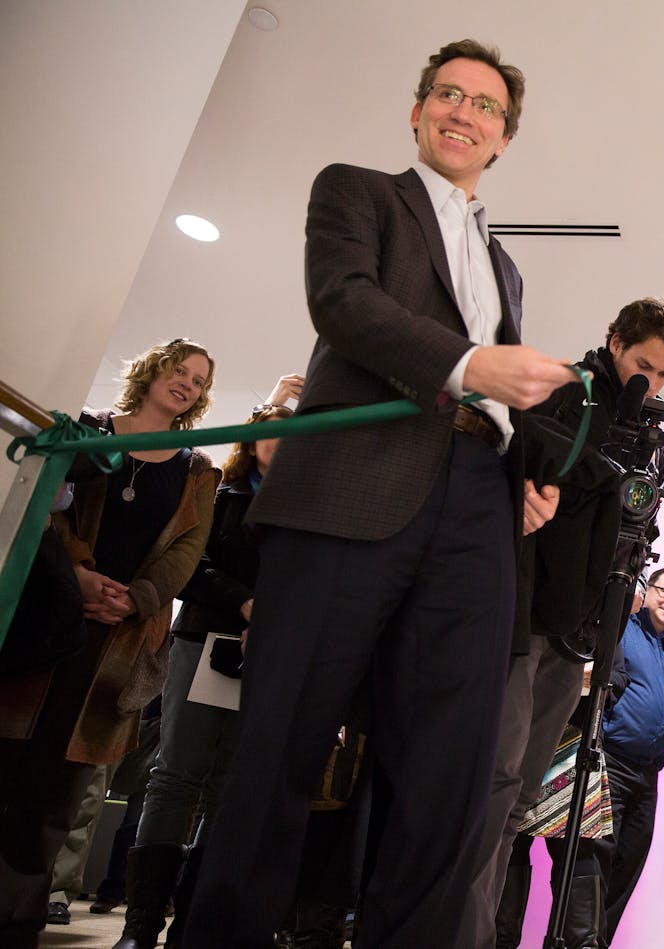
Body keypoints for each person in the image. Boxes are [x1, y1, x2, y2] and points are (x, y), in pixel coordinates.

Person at [185, 38, 574, 949]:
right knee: (282, 746)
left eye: (485, 106)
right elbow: (345, 304)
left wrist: (520, 475)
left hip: (478, 504)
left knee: (453, 775)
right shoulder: (356, 191)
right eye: (449, 94)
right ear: (417, 109)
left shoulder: (506, 265)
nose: (463, 113)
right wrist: (473, 363)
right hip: (349, 490)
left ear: (503, 139)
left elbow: (491, 396)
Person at [469, 296, 664, 948]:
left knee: (519, 800)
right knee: (497, 782)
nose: (650, 381)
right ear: (615, 340)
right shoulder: (560, 394)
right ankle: (462, 929)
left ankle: (481, 930)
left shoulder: (648, 436)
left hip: (578, 638)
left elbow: (637, 528)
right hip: (525, 620)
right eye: (644, 364)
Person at [0, 338, 218, 949]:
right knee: (8, 763)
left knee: (56, 794)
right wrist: (76, 572)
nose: (187, 385)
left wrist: (138, 597)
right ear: (151, 371)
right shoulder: (91, 434)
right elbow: (50, 509)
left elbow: (185, 553)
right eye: (180, 371)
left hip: (115, 650)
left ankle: (17, 924)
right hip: (46, 621)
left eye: (199, 381)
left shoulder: (198, 471)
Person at [114, 392, 297, 949]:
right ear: (251, 441)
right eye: (272, 433)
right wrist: (245, 604)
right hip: (203, 640)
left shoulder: (309, 510)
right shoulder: (220, 492)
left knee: (229, 788)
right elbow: (193, 567)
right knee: (176, 775)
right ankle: (141, 923)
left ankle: (194, 923)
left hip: (269, 655)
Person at [591, 566, 664, 942]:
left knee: (629, 863)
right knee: (598, 858)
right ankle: (581, 938)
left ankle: (599, 941)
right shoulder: (624, 629)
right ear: (648, 591)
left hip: (646, 776)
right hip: (611, 763)